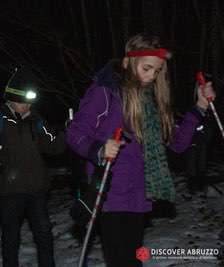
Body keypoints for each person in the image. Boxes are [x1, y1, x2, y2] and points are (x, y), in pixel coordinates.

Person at [66, 34, 216, 267]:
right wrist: (99, 148)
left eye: (156, 71)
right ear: (128, 63)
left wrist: (199, 108)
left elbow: (177, 143)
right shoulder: (106, 93)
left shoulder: (151, 103)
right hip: (109, 193)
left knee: (134, 261)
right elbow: (75, 133)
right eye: (147, 68)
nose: (151, 76)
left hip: (139, 195)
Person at [0, 68, 65, 267]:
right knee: (11, 239)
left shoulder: (37, 121)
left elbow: (53, 147)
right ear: (12, 101)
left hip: (37, 189)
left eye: (29, 102)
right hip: (9, 191)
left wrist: (69, 133)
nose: (27, 106)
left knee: (44, 235)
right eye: (23, 102)